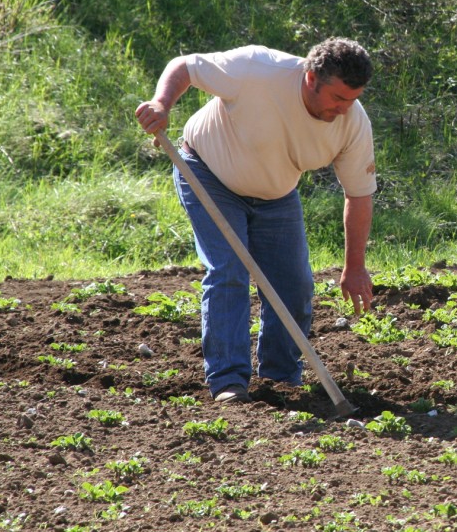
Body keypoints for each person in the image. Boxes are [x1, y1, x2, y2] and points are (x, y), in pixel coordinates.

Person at [135, 38, 376, 403]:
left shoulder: (353, 123)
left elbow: (358, 194)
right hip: (208, 172)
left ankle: (279, 378)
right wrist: (161, 104)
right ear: (311, 78)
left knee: (294, 287)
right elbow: (185, 66)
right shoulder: (257, 69)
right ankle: (228, 382)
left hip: (276, 195)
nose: (344, 109)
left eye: (353, 99)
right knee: (228, 269)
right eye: (338, 99)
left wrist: (354, 266)